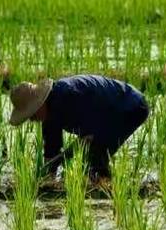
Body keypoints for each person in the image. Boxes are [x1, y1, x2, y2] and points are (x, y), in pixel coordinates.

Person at [8, 74, 149, 180]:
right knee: (91, 161)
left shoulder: (69, 96)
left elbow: (91, 135)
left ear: (39, 104)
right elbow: (52, 151)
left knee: (94, 160)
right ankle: (103, 185)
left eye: (31, 115)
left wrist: (71, 152)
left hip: (130, 106)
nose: (32, 120)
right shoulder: (49, 114)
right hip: (109, 114)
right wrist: (46, 179)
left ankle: (107, 191)